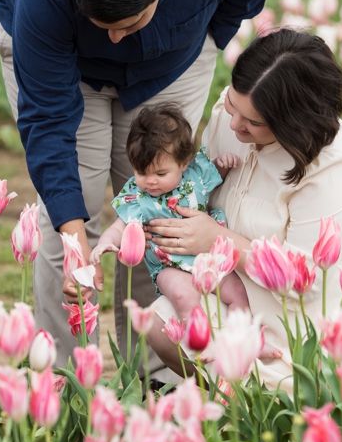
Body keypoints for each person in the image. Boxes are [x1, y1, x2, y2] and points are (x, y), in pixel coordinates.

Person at [0, 0, 285, 374]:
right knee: (71, 209)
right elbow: (47, 117)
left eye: (127, 25)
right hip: (63, 64)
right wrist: (74, 230)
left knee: (161, 201)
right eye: (105, 27)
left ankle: (157, 371)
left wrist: (215, 31)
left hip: (174, 58)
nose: (117, 40)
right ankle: (58, 377)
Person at [145, 29, 342, 388]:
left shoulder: (335, 164)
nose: (234, 125)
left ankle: (251, 412)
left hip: (317, 303)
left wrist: (217, 239)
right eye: (233, 105)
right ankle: (226, 404)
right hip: (238, 283)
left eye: (253, 123)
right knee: (162, 327)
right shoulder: (236, 115)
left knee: (289, 389)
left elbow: (305, 280)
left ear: (292, 122)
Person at [89, 104, 254, 321]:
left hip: (207, 256)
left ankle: (241, 339)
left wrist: (222, 164)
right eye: (141, 172)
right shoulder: (137, 197)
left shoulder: (196, 176)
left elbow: (216, 174)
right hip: (169, 266)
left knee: (237, 293)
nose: (150, 181)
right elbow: (118, 227)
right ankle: (199, 341)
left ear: (184, 163)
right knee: (183, 296)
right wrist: (105, 243)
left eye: (160, 173)